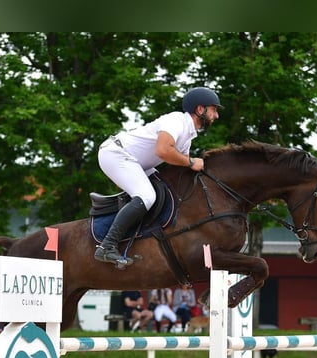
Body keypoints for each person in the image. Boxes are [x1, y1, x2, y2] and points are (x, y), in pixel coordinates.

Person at [94, 87, 223, 267]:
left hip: (136, 163)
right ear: (200, 109)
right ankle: (107, 245)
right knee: (147, 196)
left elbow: (179, 167)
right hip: (116, 154)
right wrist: (192, 162)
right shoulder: (176, 120)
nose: (216, 115)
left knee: (164, 190)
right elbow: (163, 150)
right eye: (214, 109)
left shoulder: (188, 135)